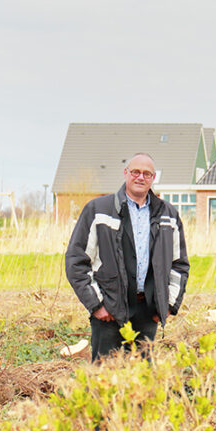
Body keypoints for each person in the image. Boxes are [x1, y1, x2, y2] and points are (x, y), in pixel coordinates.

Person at [65, 153, 189, 361]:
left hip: (148, 311)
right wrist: (97, 305)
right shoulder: (98, 210)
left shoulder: (168, 214)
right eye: (135, 172)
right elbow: (77, 261)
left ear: (153, 178)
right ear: (126, 174)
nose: (140, 177)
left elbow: (179, 264)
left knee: (143, 379)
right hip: (109, 310)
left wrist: (167, 305)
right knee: (104, 378)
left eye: (146, 173)